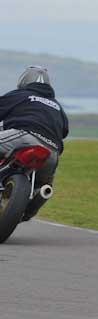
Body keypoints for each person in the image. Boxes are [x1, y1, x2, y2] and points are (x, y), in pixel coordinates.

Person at [0, 66, 69, 220]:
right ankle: (32, 207)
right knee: (43, 186)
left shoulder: (20, 95)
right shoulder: (57, 106)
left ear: (24, 80)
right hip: (52, 151)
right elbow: (64, 131)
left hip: (25, 136)